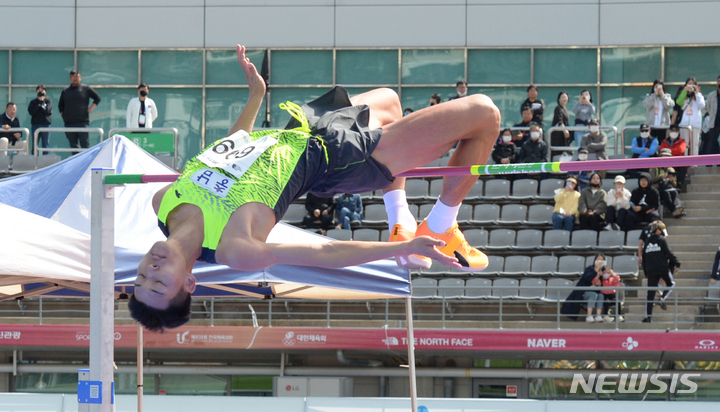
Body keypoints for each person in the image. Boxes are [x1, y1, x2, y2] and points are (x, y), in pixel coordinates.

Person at [129, 45, 501, 331]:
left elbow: (231, 150)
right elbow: (324, 252)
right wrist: (405, 249)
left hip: (304, 128)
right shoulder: (233, 249)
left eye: (142, 277)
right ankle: (441, 226)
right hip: (336, 158)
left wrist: (256, 96)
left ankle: (399, 215)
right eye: (159, 284)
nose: (152, 269)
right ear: (190, 283)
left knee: (389, 100)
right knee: (484, 115)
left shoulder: (163, 202)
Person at [641, 221, 679, 323]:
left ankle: (648, 317)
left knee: (650, 294)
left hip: (651, 271)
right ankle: (662, 299)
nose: (663, 232)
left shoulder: (647, 242)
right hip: (662, 269)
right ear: (658, 230)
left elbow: (644, 259)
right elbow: (669, 253)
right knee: (671, 284)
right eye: (662, 229)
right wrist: (677, 263)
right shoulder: (662, 240)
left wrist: (646, 272)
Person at [58, 70, 101, 153]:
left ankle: (86, 163)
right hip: (69, 123)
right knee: (73, 146)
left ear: (80, 78)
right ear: (70, 78)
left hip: (82, 122)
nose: (75, 79)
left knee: (85, 145)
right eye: (73, 77)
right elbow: (60, 105)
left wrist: (91, 108)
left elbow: (97, 98)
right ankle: (76, 164)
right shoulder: (65, 91)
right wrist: (63, 114)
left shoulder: (86, 89)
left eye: (77, 77)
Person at [562, 254, 606, 323]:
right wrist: (596, 270)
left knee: (601, 296)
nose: (600, 261)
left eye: (602, 259)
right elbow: (588, 278)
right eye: (598, 259)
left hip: (596, 292)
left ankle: (598, 316)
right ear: (595, 260)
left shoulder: (603, 271)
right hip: (584, 292)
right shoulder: (589, 269)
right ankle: (589, 316)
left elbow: (606, 283)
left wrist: (600, 284)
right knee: (593, 295)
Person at [676, 77, 705, 156]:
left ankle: (694, 164)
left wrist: (697, 93)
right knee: (684, 145)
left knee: (694, 145)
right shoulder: (684, 96)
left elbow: (702, 105)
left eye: (693, 84)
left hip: (695, 125)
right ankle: (684, 164)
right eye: (689, 84)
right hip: (684, 125)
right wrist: (684, 91)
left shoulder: (698, 96)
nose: (691, 86)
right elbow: (679, 102)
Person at [27, 85, 53, 155]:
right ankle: (34, 160)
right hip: (35, 125)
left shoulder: (48, 101)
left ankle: (45, 160)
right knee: (35, 144)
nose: (41, 92)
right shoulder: (33, 102)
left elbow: (48, 111)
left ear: (45, 92)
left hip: (45, 125)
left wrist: (42, 103)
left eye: (42, 91)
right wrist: (38, 105)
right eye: (39, 90)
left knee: (45, 144)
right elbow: (31, 112)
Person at [700, 75, 720, 156]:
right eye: (718, 81)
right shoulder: (711, 95)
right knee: (711, 144)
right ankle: (708, 164)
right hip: (714, 123)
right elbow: (708, 108)